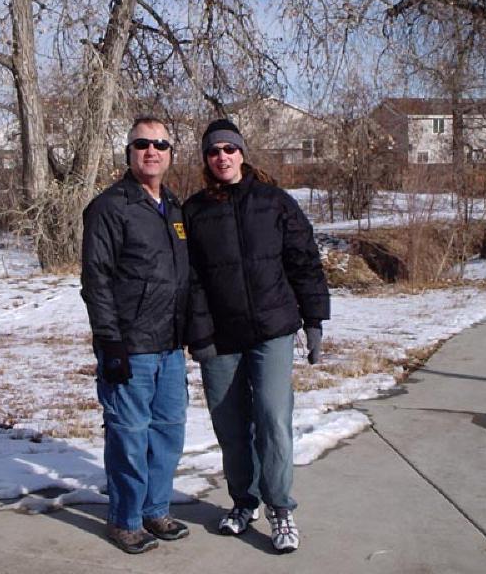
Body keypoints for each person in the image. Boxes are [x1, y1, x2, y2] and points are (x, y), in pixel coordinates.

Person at [184, 119, 330, 553]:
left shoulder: (274, 202)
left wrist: (315, 321)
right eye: (214, 151)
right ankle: (242, 502)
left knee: (271, 418)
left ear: (243, 153)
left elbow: (304, 260)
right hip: (220, 337)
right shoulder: (194, 211)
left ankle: (281, 509)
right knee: (230, 427)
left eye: (230, 148)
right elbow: (189, 280)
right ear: (206, 160)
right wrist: (200, 335)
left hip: (272, 330)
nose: (222, 156)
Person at [80, 117, 190, 554]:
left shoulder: (176, 209)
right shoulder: (110, 207)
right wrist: (110, 343)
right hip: (130, 346)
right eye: (142, 143)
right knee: (128, 434)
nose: (152, 150)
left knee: (169, 431)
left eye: (160, 144)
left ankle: (155, 509)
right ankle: (125, 519)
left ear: (169, 153)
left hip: (171, 346)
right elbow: (97, 280)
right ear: (129, 151)